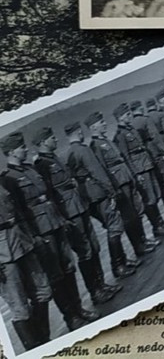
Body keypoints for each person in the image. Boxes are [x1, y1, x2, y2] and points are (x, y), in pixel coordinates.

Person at [0, 132, 98, 331]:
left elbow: (49, 195)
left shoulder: (30, 169)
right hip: (40, 230)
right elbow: (19, 212)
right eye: (21, 147)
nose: (26, 149)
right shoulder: (9, 179)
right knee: (55, 275)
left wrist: (61, 218)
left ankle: (79, 308)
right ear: (11, 152)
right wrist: (33, 236)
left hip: (55, 222)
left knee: (68, 267)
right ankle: (71, 317)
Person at [34, 127, 121, 308]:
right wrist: (61, 216)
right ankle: (95, 291)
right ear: (42, 142)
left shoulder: (54, 158)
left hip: (79, 205)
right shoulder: (42, 164)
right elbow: (50, 194)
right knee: (84, 251)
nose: (56, 140)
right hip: (69, 211)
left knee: (94, 246)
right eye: (51, 138)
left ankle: (101, 284)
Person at [66, 117, 137, 280]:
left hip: (87, 196)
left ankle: (121, 261)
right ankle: (118, 265)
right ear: (79, 132)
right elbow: (98, 173)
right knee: (115, 226)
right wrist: (112, 192)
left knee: (111, 226)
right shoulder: (83, 150)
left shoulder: (70, 152)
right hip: (98, 193)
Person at [88, 110, 159, 267]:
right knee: (128, 217)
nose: (104, 124)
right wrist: (113, 189)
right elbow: (102, 169)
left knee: (135, 212)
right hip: (119, 182)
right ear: (93, 127)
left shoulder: (105, 140)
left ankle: (142, 240)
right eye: (101, 122)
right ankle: (138, 246)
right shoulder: (96, 146)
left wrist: (132, 176)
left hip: (126, 178)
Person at [0, 179, 52, 350]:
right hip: (3, 256)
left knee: (43, 291)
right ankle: (35, 349)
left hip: (22, 242)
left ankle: (44, 340)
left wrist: (31, 236)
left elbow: (17, 211)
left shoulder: (2, 183)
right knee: (20, 308)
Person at [112, 103, 164, 241]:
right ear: (120, 118)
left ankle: (160, 221)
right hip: (139, 169)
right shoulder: (120, 135)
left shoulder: (131, 129)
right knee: (149, 198)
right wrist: (135, 174)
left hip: (146, 164)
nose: (130, 116)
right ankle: (156, 226)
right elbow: (126, 156)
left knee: (155, 194)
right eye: (127, 114)